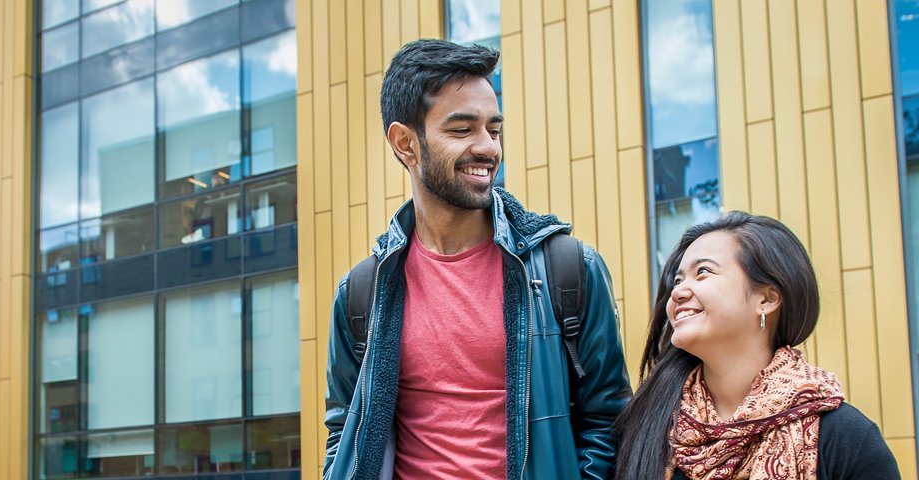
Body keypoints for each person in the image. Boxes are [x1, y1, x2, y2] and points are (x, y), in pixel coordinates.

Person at [322, 39, 632, 479]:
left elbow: (610, 420)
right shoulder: (362, 291)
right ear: (406, 143)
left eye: (494, 128)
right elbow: (344, 430)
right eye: (462, 129)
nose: (488, 148)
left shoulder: (569, 268)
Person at [613, 212, 900, 479]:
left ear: (766, 299)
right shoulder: (646, 427)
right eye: (678, 279)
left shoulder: (846, 439)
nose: (678, 292)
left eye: (702, 272)